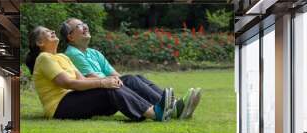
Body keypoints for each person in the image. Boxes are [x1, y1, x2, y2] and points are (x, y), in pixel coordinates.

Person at [25, 26, 175, 122]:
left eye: (51, 30)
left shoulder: (63, 57)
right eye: (46, 32)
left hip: (74, 98)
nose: (52, 32)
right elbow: (69, 83)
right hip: (59, 106)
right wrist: (103, 82)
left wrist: (109, 80)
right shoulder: (44, 58)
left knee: (125, 80)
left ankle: (166, 107)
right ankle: (155, 113)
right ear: (39, 43)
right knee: (108, 88)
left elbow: (82, 79)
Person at [60, 18, 202, 119]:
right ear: (70, 36)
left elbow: (115, 74)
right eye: (79, 26)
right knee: (129, 79)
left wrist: (127, 85)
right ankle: (172, 108)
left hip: (110, 88)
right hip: (98, 94)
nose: (85, 26)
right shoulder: (72, 53)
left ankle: (172, 105)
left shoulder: (94, 53)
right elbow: (91, 79)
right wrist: (122, 83)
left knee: (135, 78)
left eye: (84, 23)